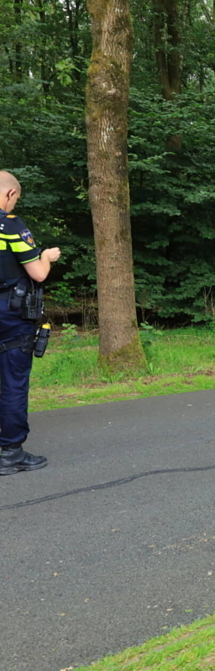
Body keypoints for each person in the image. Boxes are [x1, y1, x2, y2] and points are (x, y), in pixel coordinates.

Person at [0, 171, 61, 476]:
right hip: (9, 315)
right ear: (10, 194)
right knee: (12, 381)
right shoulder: (11, 226)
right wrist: (47, 256)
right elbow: (37, 273)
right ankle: (10, 453)